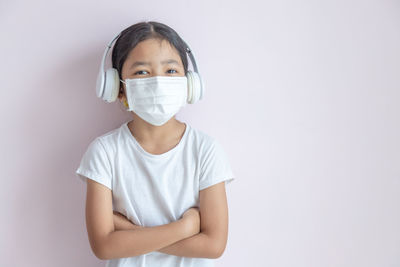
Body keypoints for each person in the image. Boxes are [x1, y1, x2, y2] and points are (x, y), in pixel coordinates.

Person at [75, 21, 235, 267]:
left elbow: (213, 245)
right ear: (117, 88)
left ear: (189, 84)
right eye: (141, 72)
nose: (159, 82)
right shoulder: (104, 152)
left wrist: (129, 231)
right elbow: (104, 246)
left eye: (170, 71)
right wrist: (187, 227)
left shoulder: (205, 150)